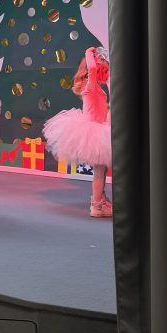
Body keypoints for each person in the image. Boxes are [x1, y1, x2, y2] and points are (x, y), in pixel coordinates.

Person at [43, 46, 112, 217]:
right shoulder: (90, 85)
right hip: (94, 130)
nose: (101, 69)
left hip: (100, 126)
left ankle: (100, 199)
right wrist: (89, 53)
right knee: (99, 171)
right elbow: (93, 69)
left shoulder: (95, 85)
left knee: (102, 170)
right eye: (100, 66)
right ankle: (97, 205)